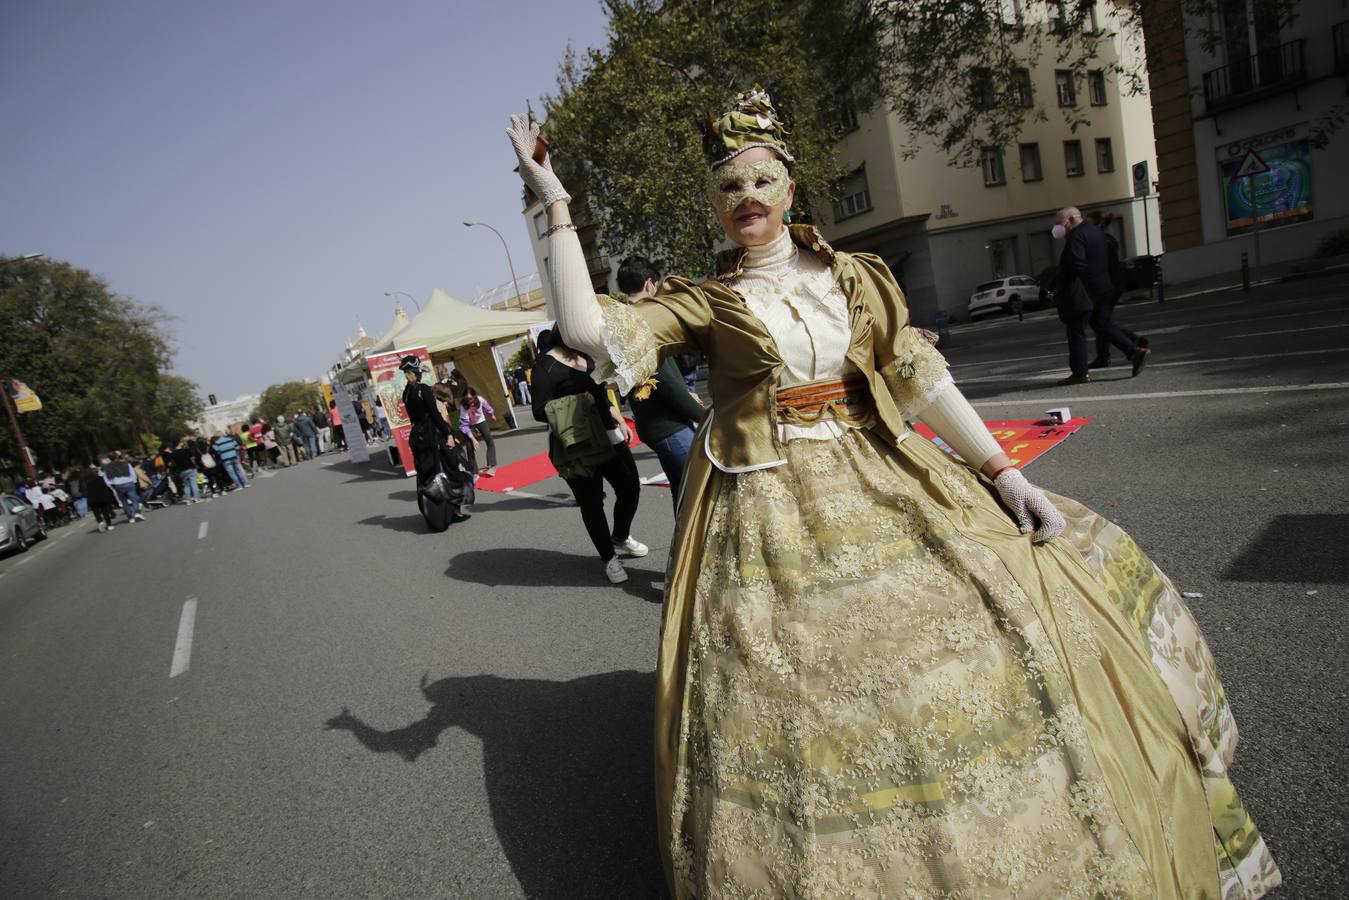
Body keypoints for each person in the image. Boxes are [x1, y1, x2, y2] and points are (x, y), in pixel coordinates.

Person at [506, 92, 1278, 898]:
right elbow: (589, 332)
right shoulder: (704, 299)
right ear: (714, 205)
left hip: (881, 467)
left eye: (762, 181)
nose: (748, 200)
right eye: (730, 189)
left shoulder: (860, 278)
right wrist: (552, 202)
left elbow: (918, 377)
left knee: (984, 629)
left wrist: (1001, 470)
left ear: (790, 189)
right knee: (803, 690)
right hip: (762, 496)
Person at [530, 328, 645, 584]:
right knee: (592, 503)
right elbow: (539, 410)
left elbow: (602, 393)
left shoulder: (586, 356)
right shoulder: (545, 366)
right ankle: (609, 558)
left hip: (608, 436)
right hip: (576, 443)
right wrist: (578, 402)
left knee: (630, 487)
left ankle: (621, 535)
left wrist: (620, 420)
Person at [615, 255, 707, 509]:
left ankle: (684, 547)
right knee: (699, 495)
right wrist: (706, 415)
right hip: (667, 424)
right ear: (649, 284)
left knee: (683, 492)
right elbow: (668, 384)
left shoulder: (621, 320)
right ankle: (693, 547)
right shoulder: (641, 322)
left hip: (652, 420)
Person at [1051, 206, 1148, 384]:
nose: (1057, 227)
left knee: (1076, 329)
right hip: (1104, 286)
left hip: (1085, 291)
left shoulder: (1076, 237)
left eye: (1059, 223)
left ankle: (1080, 373)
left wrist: (1060, 281)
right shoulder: (1095, 232)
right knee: (1100, 323)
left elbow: (1076, 265)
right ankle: (1134, 349)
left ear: (1070, 220)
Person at [401, 356, 473, 523]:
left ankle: (435, 516)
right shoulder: (423, 390)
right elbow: (434, 415)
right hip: (433, 435)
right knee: (450, 470)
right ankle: (454, 511)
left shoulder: (406, 393)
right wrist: (448, 433)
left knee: (428, 476)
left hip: (418, 438)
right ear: (417, 373)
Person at [1086, 209, 1149, 371]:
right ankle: (1109, 353)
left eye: (1088, 222)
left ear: (1098, 224)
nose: (1086, 225)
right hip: (1113, 285)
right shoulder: (1108, 239)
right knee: (1101, 321)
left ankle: (1132, 349)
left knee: (1099, 321)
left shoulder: (1100, 242)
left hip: (1107, 287)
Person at [458, 387, 498, 476]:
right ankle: (474, 471)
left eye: (471, 399)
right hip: (468, 425)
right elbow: (464, 425)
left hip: (480, 420)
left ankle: (491, 465)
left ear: (474, 396)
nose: (469, 401)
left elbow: (487, 407)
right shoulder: (463, 407)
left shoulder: (480, 400)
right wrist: (473, 439)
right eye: (467, 399)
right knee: (469, 446)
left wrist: (491, 414)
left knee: (489, 439)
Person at [101, 452, 145, 522]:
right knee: (134, 499)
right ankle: (137, 513)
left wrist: (111, 486)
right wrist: (134, 481)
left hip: (117, 485)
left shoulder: (107, 468)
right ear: (117, 457)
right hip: (128, 482)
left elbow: (106, 479)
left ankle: (130, 517)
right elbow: (132, 473)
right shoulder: (126, 464)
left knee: (124, 502)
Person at [82, 466, 117, 532]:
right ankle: (109, 525)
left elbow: (83, 491)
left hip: (92, 498)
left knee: (96, 512)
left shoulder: (84, 482)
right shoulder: (99, 478)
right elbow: (104, 487)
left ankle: (100, 522)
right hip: (101, 497)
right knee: (105, 511)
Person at [172, 437, 203, 504]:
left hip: (181, 471)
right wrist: (195, 465)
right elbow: (192, 458)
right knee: (193, 483)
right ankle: (196, 498)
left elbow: (173, 464)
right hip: (190, 468)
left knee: (186, 485)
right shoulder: (186, 450)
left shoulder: (173, 454)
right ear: (179, 443)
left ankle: (188, 500)